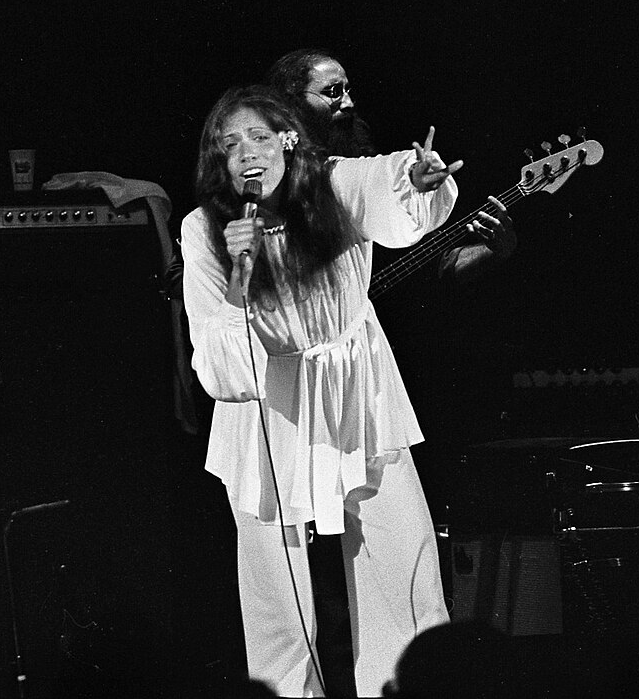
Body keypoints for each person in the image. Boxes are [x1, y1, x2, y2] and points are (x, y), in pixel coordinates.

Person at [181, 86, 456, 697]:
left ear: (287, 138)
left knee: (399, 556)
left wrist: (416, 180)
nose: (245, 153)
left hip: (355, 385)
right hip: (263, 400)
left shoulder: (333, 184)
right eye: (228, 145)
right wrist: (239, 277)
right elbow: (221, 367)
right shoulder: (204, 228)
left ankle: (404, 687)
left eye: (257, 135)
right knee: (274, 590)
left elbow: (387, 192)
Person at [267, 49, 516, 285]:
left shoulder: (359, 157)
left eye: (347, 90)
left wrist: (411, 182)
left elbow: (436, 264)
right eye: (334, 92)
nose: (349, 103)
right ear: (293, 100)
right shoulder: (272, 169)